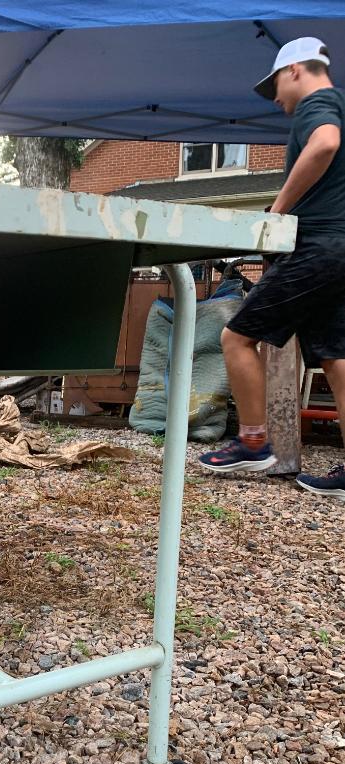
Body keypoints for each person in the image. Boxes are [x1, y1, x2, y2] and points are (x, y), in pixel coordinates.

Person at [199, 37, 345, 500]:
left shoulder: (316, 104)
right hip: (340, 248)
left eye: (277, 85)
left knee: (236, 337)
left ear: (297, 70)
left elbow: (325, 143)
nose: (277, 100)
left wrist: (278, 210)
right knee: (336, 356)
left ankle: (253, 441)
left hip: (316, 246)